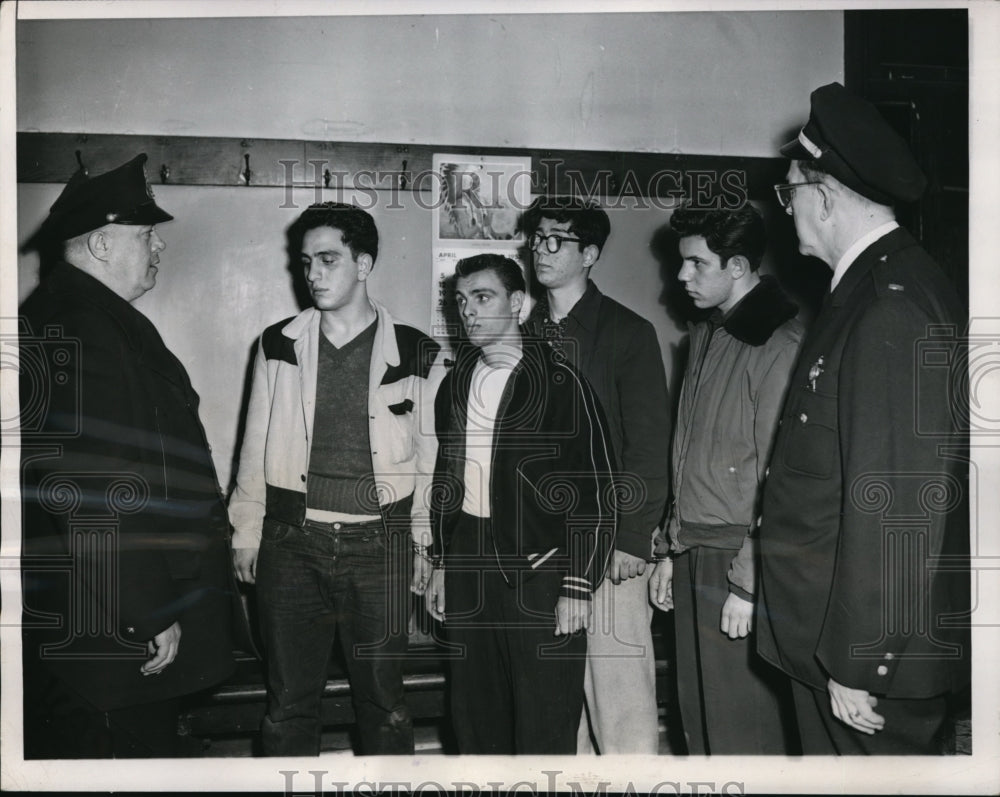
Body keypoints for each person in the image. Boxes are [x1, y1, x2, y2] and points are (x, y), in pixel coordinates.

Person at [756, 82, 969, 754]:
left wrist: (857, 657)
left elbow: (898, 501)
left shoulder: (890, 306)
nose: (784, 209)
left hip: (862, 657)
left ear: (822, 197)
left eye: (788, 192)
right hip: (827, 634)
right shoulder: (866, 289)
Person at [19, 153, 241, 758]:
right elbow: (91, 484)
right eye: (145, 236)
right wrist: (145, 612)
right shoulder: (83, 325)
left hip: (99, 614)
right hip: (109, 632)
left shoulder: (81, 316)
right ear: (98, 246)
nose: (158, 250)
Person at [228, 201, 443, 756]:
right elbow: (252, 446)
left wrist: (426, 544)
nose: (313, 275)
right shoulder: (278, 343)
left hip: (381, 547)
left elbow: (432, 459)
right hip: (291, 545)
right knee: (289, 705)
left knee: (385, 705)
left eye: (328, 260)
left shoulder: (418, 350)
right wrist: (246, 530)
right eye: (306, 263)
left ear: (364, 263)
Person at [424, 253, 616, 754]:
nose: (468, 311)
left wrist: (578, 585)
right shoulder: (455, 385)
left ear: (517, 303)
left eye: (482, 298)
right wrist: (444, 562)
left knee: (544, 721)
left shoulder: (560, 383)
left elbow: (597, 490)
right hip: (469, 564)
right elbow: (449, 480)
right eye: (461, 301)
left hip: (539, 570)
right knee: (475, 715)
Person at [647, 204, 802, 754]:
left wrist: (749, 578)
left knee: (742, 729)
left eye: (695, 263)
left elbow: (781, 476)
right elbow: (686, 450)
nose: (681, 276)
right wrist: (669, 545)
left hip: (737, 558)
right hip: (694, 549)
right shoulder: (708, 334)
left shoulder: (779, 343)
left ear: (737, 267)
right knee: (698, 719)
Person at [521, 198, 671, 754]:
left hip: (610, 547)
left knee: (620, 702)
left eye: (555, 240)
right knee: (560, 706)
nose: (540, 249)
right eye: (536, 239)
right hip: (540, 549)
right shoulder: (523, 332)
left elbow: (649, 445)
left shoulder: (627, 333)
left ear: (590, 254)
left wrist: (632, 538)